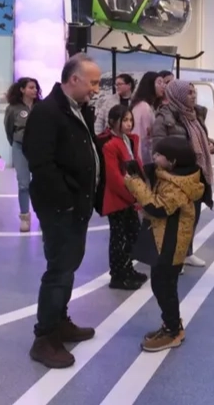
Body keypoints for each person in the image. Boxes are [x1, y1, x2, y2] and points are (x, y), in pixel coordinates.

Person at [22, 53, 101, 369]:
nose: (96, 89)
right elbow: (41, 163)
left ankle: (60, 321)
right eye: (93, 82)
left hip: (76, 206)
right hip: (61, 209)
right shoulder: (47, 112)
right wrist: (66, 200)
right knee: (59, 270)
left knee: (68, 266)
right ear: (74, 79)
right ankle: (44, 338)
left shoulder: (78, 109)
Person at [124, 137, 208, 351]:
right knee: (163, 284)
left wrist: (135, 184)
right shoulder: (173, 176)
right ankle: (171, 324)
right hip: (167, 239)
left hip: (171, 243)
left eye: (159, 155)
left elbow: (157, 208)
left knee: (164, 286)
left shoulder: (177, 186)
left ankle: (173, 331)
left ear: (172, 161)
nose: (154, 157)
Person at [150, 79, 214, 267]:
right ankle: (173, 258)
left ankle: (187, 253)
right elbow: (159, 148)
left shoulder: (196, 115)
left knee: (192, 216)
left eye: (194, 92)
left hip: (195, 174)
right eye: (189, 92)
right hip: (176, 176)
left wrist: (212, 144)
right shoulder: (164, 118)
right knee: (175, 221)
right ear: (177, 95)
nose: (193, 96)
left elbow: (202, 138)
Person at [97, 105, 147, 290]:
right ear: (112, 122)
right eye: (124, 120)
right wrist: (132, 196)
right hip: (117, 200)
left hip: (130, 197)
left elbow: (137, 165)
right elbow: (114, 178)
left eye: (130, 120)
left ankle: (128, 269)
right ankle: (118, 275)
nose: (129, 124)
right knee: (119, 239)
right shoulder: (110, 144)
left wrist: (143, 188)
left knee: (132, 235)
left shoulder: (130, 140)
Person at [3, 77, 41, 232]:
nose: (35, 90)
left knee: (41, 182)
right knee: (23, 184)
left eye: (36, 87)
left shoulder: (41, 107)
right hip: (20, 148)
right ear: (22, 89)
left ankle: (42, 215)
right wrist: (16, 143)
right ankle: (25, 217)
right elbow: (9, 129)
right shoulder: (13, 108)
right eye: (31, 87)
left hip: (39, 149)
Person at [130, 71, 165, 164]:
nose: (163, 86)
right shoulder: (142, 107)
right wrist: (139, 163)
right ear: (150, 85)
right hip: (143, 159)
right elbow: (137, 136)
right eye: (159, 82)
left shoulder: (150, 106)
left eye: (163, 83)